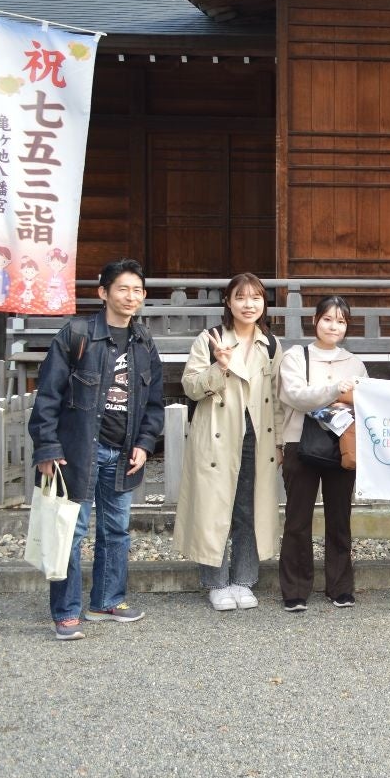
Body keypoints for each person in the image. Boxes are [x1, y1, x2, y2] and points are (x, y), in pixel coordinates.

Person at [28, 260, 164, 641]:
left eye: (137, 290)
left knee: (116, 530)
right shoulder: (76, 334)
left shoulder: (143, 341)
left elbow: (154, 402)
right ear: (103, 292)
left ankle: (106, 600)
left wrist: (144, 443)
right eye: (123, 289)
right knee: (71, 531)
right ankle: (66, 611)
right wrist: (47, 448)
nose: (131, 297)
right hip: (77, 452)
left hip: (123, 453)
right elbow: (48, 395)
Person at [174, 273, 283, 612]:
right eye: (241, 297)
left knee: (249, 508)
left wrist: (280, 442)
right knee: (214, 507)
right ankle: (216, 583)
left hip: (257, 437)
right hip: (217, 436)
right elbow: (190, 387)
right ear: (228, 302)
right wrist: (219, 367)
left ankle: (244, 580)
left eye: (255, 298)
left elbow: (278, 399)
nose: (249, 304)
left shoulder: (271, 344)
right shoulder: (211, 339)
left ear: (264, 303)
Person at [277, 296, 368, 612]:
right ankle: (295, 589)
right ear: (315, 320)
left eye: (341, 321)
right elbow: (296, 396)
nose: (333, 326)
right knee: (297, 519)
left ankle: (340, 587)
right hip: (299, 442)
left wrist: (337, 397)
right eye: (327, 319)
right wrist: (336, 392)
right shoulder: (295, 357)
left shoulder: (355, 363)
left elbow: (364, 401)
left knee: (340, 518)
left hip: (343, 445)